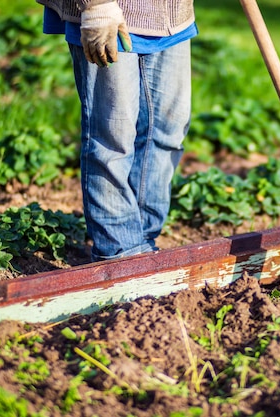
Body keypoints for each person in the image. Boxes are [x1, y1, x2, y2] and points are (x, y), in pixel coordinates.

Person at [36, 0, 197, 261]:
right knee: (113, 136)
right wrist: (96, 6)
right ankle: (119, 252)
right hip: (112, 12)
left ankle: (142, 242)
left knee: (167, 130)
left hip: (171, 13)